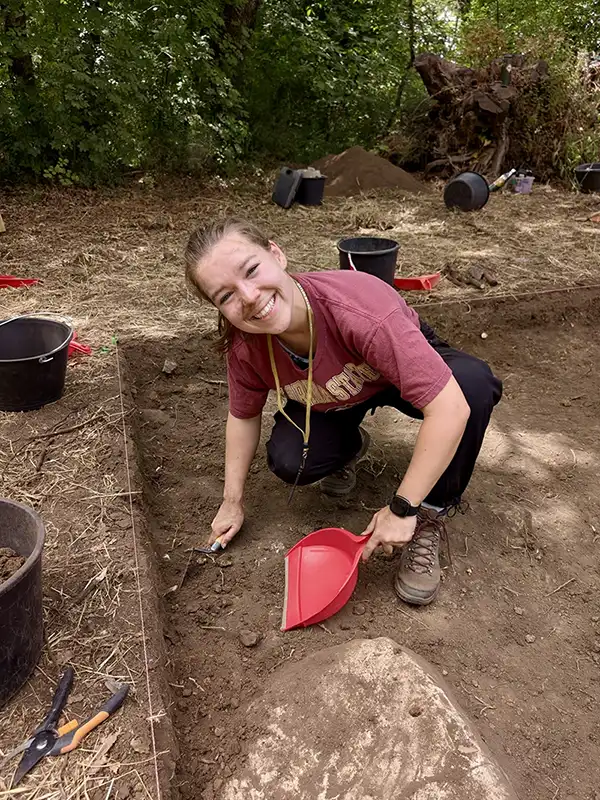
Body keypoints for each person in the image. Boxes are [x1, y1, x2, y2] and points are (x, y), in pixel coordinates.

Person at [184, 217, 502, 606]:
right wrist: (232, 500)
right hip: (332, 393)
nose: (248, 296)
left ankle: (430, 514)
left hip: (392, 372)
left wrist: (403, 509)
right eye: (226, 296)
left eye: (251, 270)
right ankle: (348, 448)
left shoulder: (360, 309)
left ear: (276, 254)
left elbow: (448, 408)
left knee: (470, 388)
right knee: (289, 460)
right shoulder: (245, 345)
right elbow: (244, 415)